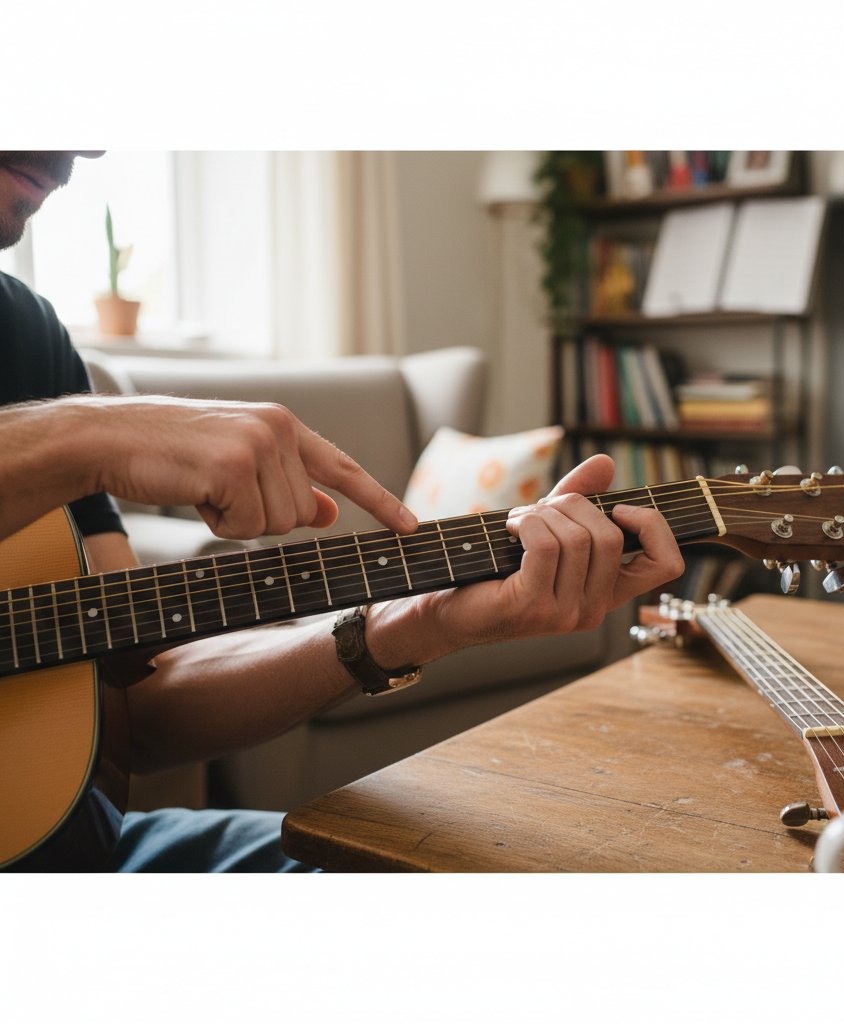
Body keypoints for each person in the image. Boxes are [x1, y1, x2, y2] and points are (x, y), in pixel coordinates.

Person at [0, 150, 685, 871]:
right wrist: (87, 433)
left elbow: (142, 699)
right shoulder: (71, 418)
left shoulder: (25, 336)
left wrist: (408, 624)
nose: (86, 144)